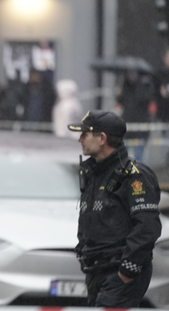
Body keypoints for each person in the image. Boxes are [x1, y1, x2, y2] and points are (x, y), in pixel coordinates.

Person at [67, 110, 161, 308]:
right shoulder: (94, 172)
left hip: (119, 271)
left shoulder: (134, 176)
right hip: (96, 271)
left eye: (85, 134)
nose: (80, 139)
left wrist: (127, 270)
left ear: (102, 138)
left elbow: (147, 227)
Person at [117, 70, 154, 162]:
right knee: (122, 155)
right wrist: (118, 94)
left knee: (139, 156)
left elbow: (143, 100)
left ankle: (141, 175)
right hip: (127, 128)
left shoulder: (145, 85)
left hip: (140, 128)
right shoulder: (126, 85)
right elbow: (122, 101)